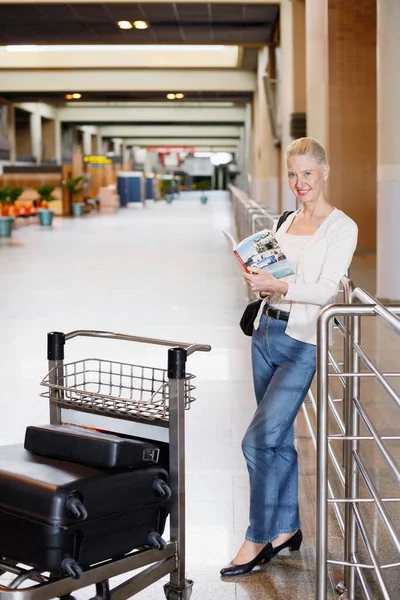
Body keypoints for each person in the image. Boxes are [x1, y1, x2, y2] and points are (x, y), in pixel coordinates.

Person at [220, 137, 358, 576]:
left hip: (302, 342)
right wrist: (258, 280)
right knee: (276, 438)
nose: (301, 183)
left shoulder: (341, 227)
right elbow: (274, 274)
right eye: (293, 175)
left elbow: (325, 291)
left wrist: (280, 286)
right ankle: (286, 529)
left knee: (257, 439)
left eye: (308, 174)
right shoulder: (285, 220)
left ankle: (257, 537)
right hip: (265, 332)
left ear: (325, 171)